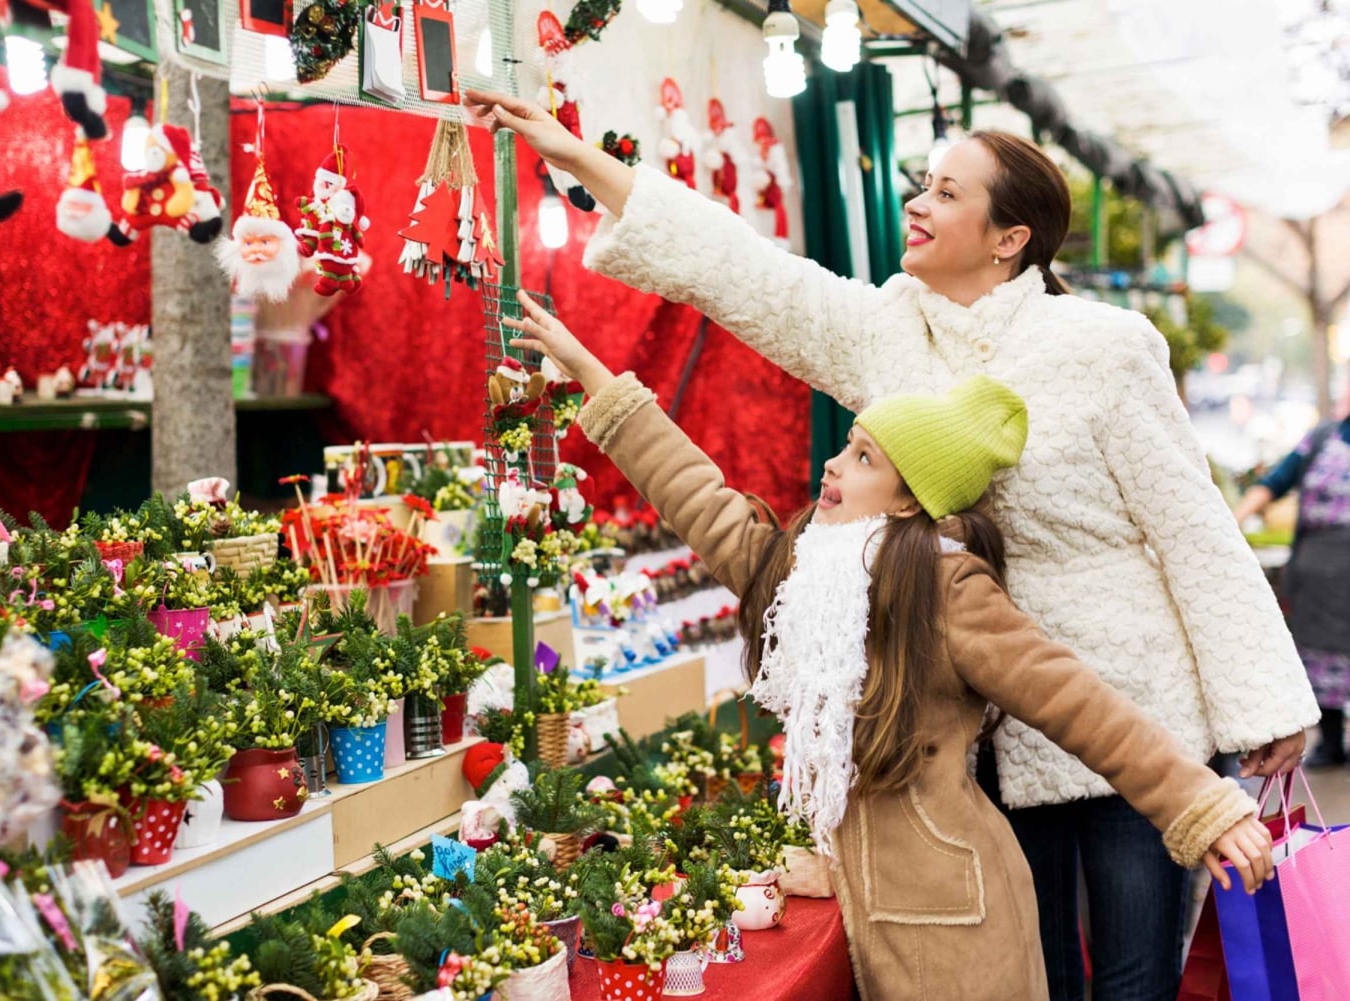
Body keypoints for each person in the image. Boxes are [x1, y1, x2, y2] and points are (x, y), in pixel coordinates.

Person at [466, 91, 1316, 1001]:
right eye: (923, 184)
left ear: (1009, 237)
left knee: (1137, 975)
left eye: (947, 193)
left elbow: (1192, 526)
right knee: (1041, 966)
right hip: (993, 715)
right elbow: (742, 272)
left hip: (1134, 702)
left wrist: (1266, 702)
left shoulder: (1104, 345)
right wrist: (577, 157)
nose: (917, 203)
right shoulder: (889, 327)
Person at [1236, 413, 1350, 767]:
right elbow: (1275, 481)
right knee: (1318, 660)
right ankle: (1331, 745)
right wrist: (1230, 523)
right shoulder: (1322, 437)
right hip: (1316, 577)